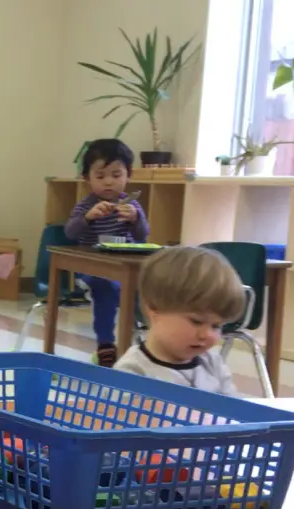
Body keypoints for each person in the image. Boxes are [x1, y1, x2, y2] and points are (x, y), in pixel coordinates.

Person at [64, 138, 150, 367]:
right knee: (105, 287)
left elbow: (143, 236)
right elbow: (70, 233)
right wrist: (87, 218)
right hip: (92, 271)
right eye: (100, 176)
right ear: (87, 179)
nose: (109, 182)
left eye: (116, 175)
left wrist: (135, 219)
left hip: (126, 269)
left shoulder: (131, 205)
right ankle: (105, 345)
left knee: (153, 286)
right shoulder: (85, 206)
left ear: (128, 176)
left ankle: (145, 346)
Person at [114, 246, 245, 395]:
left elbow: (232, 412)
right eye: (196, 322)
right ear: (155, 309)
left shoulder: (213, 365)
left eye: (216, 326)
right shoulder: (132, 372)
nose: (206, 335)